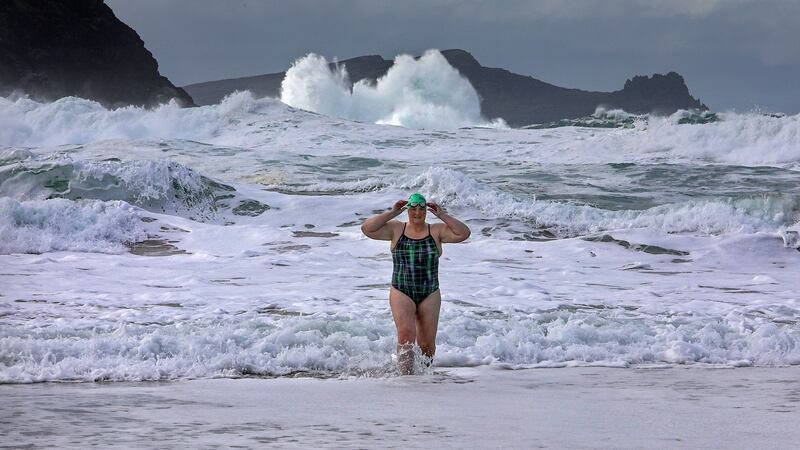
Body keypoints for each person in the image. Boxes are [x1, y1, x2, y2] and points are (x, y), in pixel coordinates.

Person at [361, 193, 471, 374]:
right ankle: (406, 378)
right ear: (408, 210)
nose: (417, 212)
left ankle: (423, 376)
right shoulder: (397, 229)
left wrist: (442, 215)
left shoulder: (436, 231)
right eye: (413, 208)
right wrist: (392, 213)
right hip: (401, 290)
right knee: (406, 336)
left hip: (429, 292)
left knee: (427, 343)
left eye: (421, 208)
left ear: (426, 210)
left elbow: (463, 233)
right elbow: (367, 229)